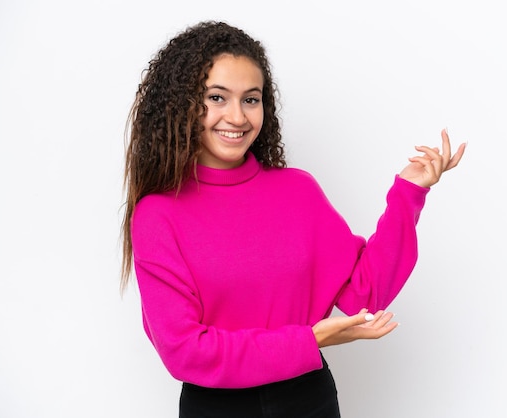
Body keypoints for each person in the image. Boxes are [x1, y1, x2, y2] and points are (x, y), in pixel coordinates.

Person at [121, 20, 465, 418]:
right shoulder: (158, 215)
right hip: (217, 409)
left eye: (251, 99)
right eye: (217, 97)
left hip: (309, 400)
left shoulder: (297, 191)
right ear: (181, 103)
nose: (237, 116)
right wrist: (307, 340)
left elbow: (365, 295)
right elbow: (185, 352)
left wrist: (409, 192)